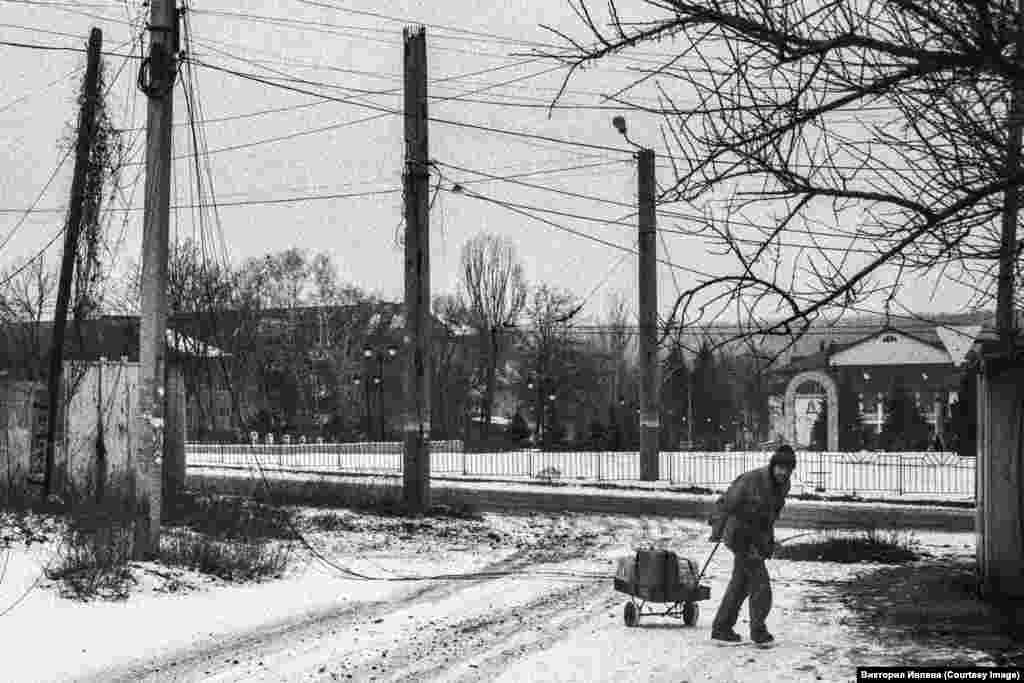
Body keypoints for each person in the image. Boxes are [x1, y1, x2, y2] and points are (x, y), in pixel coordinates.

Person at [707, 444, 796, 645]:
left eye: (787, 469)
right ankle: (758, 631)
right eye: (779, 467)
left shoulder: (783, 485)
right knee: (760, 585)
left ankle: (722, 628)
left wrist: (767, 543)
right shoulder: (751, 480)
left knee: (740, 584)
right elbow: (726, 503)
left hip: (755, 538)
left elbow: (769, 517)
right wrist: (717, 529)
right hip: (739, 535)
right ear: (773, 466)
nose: (782, 472)